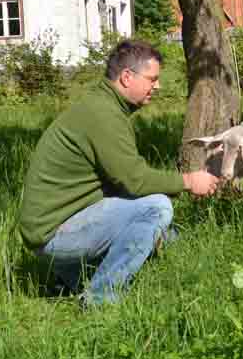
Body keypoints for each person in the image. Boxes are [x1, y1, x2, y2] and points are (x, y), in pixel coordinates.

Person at [19, 39, 220, 306]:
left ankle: (69, 278)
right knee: (157, 208)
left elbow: (121, 183)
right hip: (53, 235)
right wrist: (189, 181)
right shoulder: (104, 115)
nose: (157, 86)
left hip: (53, 226)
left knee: (160, 226)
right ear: (127, 77)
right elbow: (134, 181)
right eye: (152, 79)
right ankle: (100, 297)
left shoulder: (102, 106)